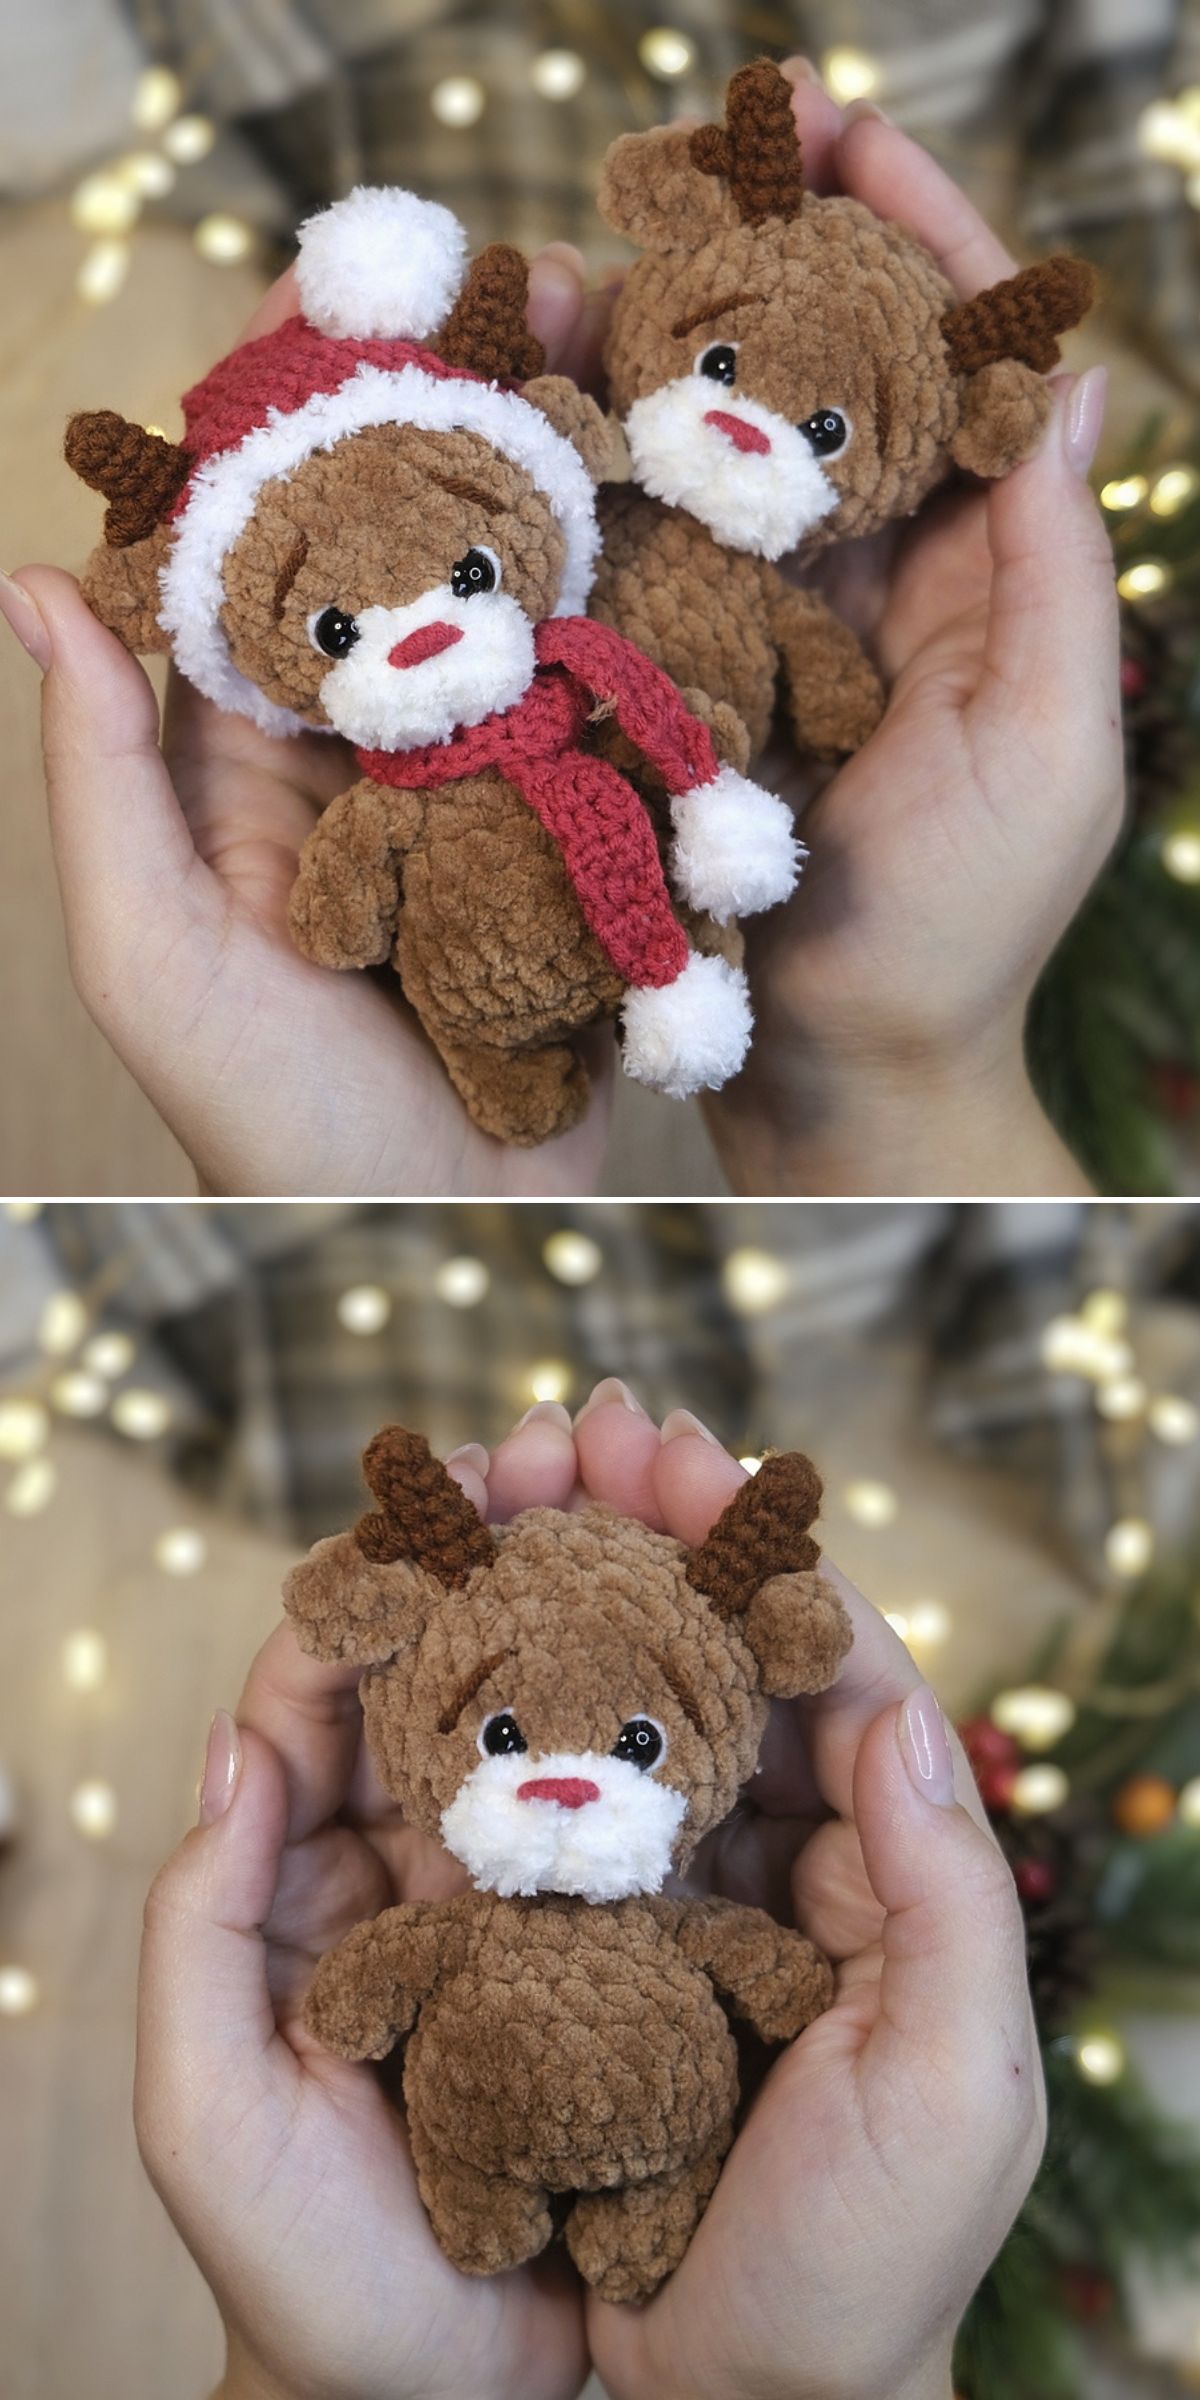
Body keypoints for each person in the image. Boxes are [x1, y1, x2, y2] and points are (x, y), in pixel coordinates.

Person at [1, 61, 1121, 1197]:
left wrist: (888, 1044)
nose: (738, 422)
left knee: (699, 817)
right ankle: (519, 1067)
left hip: (666, 827)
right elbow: (339, 913)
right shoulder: (416, 761)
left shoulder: (587, 634)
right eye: (339, 628)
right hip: (482, 950)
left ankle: (681, 971)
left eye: (468, 573)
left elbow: (778, 670)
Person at [134, 1385, 1043, 2400]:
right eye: (505, 1739)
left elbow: (753, 1960)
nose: (563, 1781)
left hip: (673, 2153)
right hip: (464, 2142)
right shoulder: (454, 1928)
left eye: (639, 1747)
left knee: (646, 2223)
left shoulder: (680, 1921)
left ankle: (629, 2221)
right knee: (477, 2209)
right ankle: (488, 2204)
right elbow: (378, 1979)